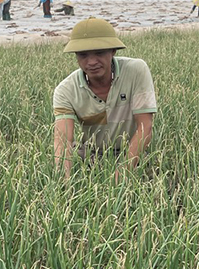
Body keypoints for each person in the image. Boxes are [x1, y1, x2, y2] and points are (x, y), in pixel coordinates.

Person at [53, 18, 156, 178]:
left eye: (100, 53)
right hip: (90, 155)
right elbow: (63, 140)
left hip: (133, 152)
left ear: (113, 51)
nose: (92, 62)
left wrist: (123, 172)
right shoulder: (65, 90)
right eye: (83, 55)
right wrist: (63, 182)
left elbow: (145, 126)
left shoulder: (136, 71)